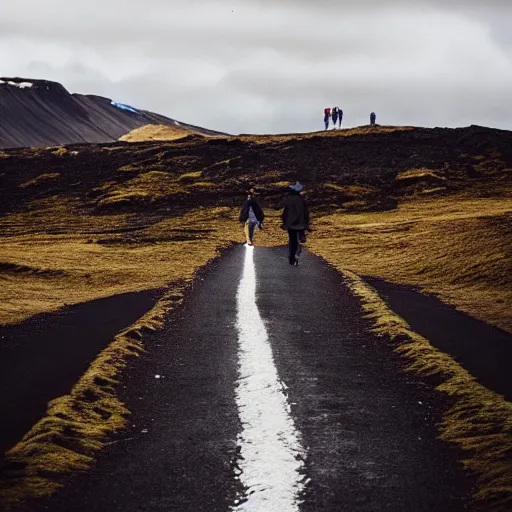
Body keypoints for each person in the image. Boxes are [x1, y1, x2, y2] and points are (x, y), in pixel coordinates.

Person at [281, 182, 310, 266]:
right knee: (299, 240)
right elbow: (306, 213)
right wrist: (307, 224)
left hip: (291, 224)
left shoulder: (287, 199)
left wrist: (284, 222)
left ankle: (291, 258)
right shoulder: (302, 200)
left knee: (292, 240)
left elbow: (285, 212)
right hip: (301, 224)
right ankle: (297, 254)